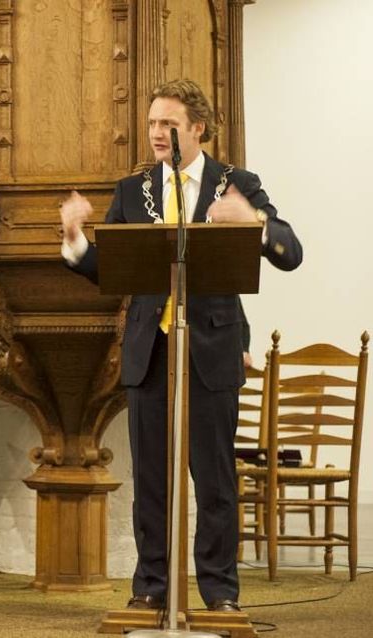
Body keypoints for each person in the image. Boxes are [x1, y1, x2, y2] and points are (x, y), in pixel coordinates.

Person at [59, 79, 303, 613]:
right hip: (152, 353)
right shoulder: (134, 191)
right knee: (152, 481)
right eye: (150, 124)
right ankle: (151, 588)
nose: (155, 134)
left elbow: (291, 251)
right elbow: (112, 268)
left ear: (197, 127)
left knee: (214, 481)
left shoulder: (236, 184)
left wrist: (255, 223)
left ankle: (219, 594)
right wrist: (77, 240)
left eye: (166, 123)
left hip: (212, 351)